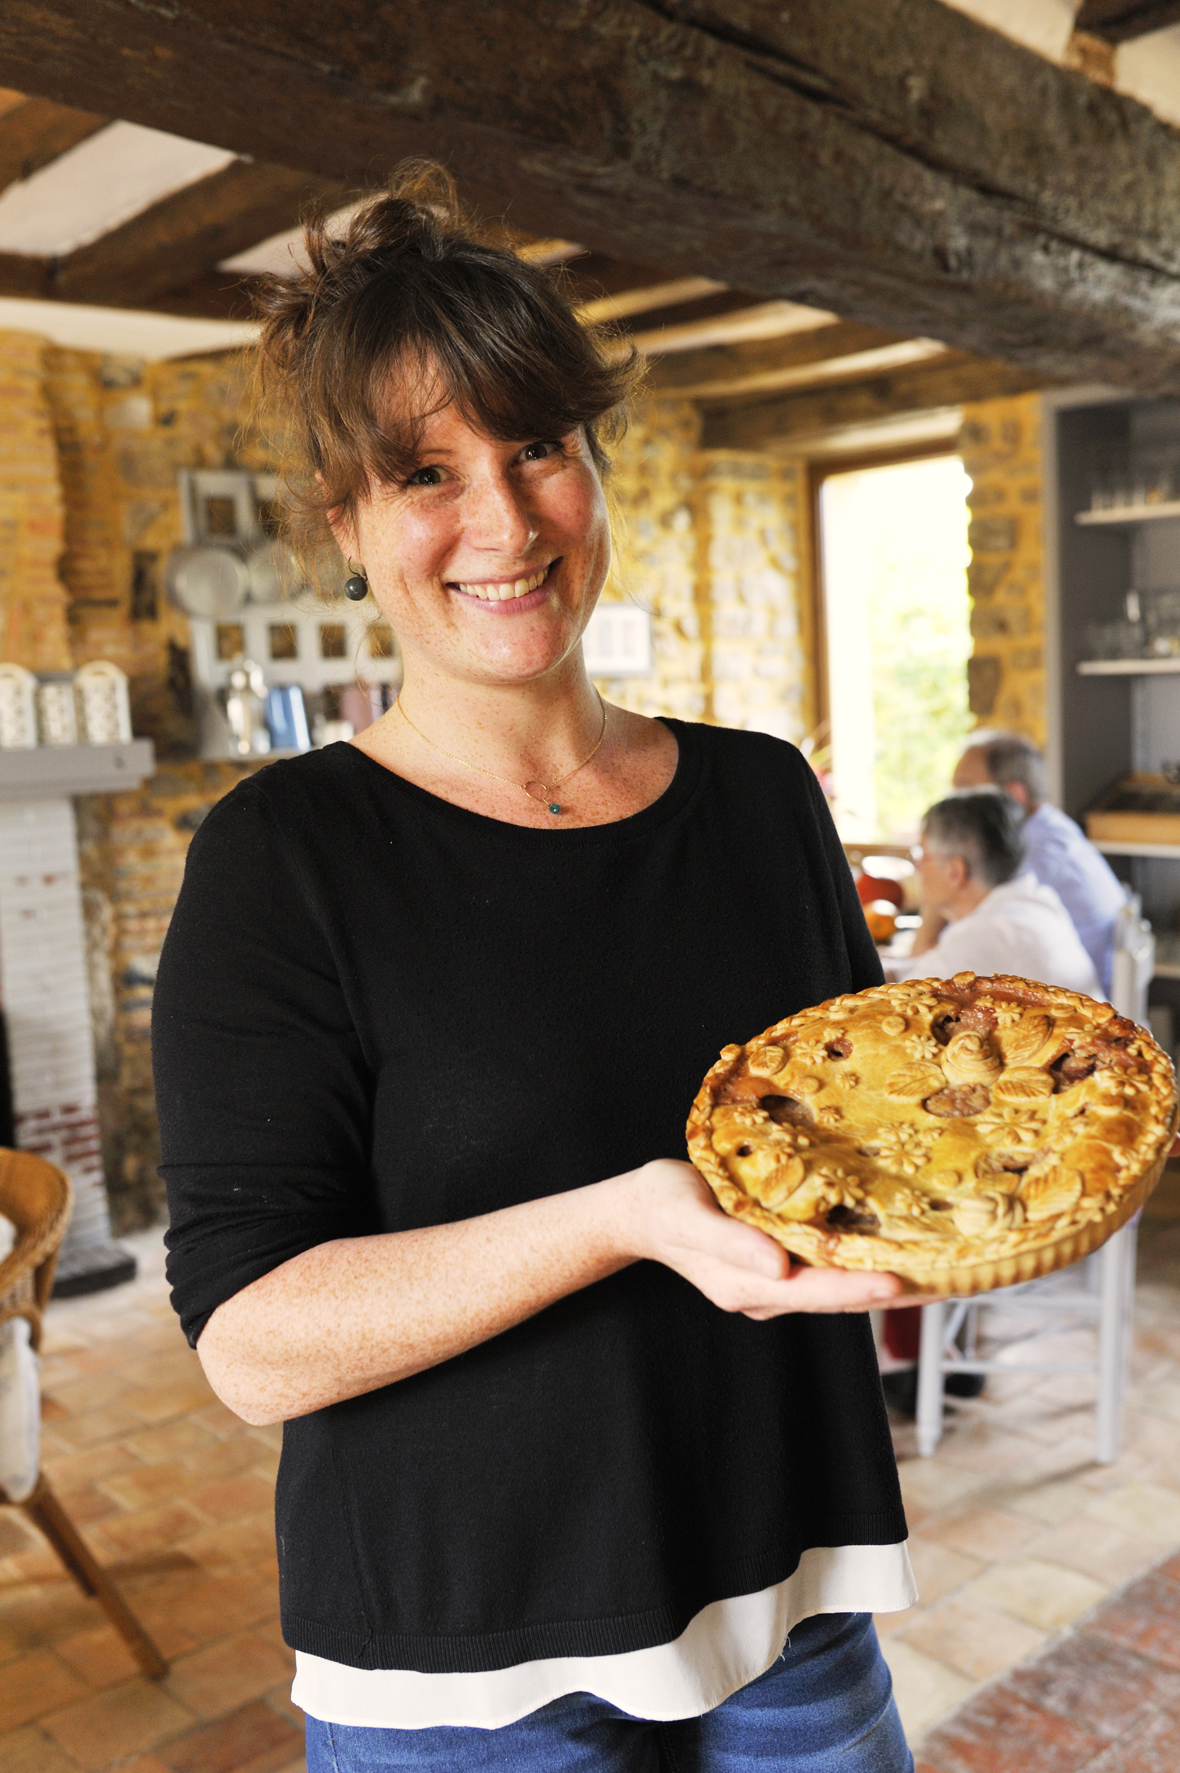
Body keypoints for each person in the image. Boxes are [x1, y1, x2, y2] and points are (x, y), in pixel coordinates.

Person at [152, 166, 918, 1772]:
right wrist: (622, 1217)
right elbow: (252, 1345)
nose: (503, 523)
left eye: (538, 449)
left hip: (793, 1588)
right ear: (347, 522)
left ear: (594, 468)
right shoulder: (283, 857)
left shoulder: (763, 795)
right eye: (427, 473)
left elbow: (874, 1137)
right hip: (465, 1664)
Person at [952, 730, 1125, 993]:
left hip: (1078, 1003)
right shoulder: (1053, 828)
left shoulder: (1028, 854)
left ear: (1014, 795)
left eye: (965, 791)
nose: (954, 806)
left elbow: (960, 944)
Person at [899, 788, 1101, 996]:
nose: (918, 866)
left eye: (923, 854)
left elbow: (896, 1003)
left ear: (955, 871)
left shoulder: (985, 936)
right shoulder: (1035, 900)